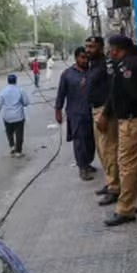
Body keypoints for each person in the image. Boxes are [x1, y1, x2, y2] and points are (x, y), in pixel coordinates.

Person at [99, 35, 137, 227]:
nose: (109, 52)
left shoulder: (127, 67)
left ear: (118, 49)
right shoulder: (135, 63)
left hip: (135, 121)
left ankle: (125, 209)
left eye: (111, 49)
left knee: (126, 164)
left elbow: (135, 94)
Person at [85, 36, 119, 204]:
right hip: (95, 110)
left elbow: (113, 90)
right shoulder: (93, 65)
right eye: (87, 46)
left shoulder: (107, 65)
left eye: (92, 46)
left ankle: (114, 188)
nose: (88, 50)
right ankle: (109, 182)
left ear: (100, 47)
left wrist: (105, 114)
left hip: (106, 112)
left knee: (109, 150)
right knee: (101, 150)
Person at [55, 47, 95, 181]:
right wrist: (58, 111)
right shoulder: (67, 74)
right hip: (75, 114)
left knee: (91, 141)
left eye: (87, 58)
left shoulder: (91, 72)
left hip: (92, 113)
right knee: (80, 141)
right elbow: (61, 94)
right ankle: (82, 167)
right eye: (82, 57)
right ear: (76, 58)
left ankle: (88, 163)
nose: (85, 60)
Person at [0, 74, 31, 158]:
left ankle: (12, 147)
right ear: (16, 80)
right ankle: (18, 152)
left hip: (7, 117)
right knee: (19, 134)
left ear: (8, 81)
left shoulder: (3, 91)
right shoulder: (20, 90)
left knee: (9, 132)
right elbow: (26, 102)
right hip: (18, 116)